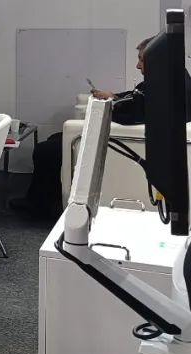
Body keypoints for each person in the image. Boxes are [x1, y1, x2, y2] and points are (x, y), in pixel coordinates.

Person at [11, 37, 191, 219]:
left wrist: (108, 103)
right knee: (55, 139)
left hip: (122, 141)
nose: (138, 66)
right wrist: (113, 96)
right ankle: (49, 199)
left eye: (141, 60)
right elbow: (136, 99)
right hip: (137, 138)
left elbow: (130, 111)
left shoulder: (161, 85)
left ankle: (39, 206)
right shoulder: (173, 77)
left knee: (45, 150)